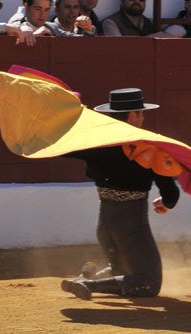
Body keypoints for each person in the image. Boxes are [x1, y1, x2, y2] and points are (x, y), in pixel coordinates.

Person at [60, 88, 179, 300]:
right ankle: (90, 285)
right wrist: (167, 202)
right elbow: (170, 191)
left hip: (105, 226)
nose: (143, 118)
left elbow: (62, 146)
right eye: (141, 113)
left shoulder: (95, 142)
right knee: (148, 282)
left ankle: (85, 279)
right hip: (131, 226)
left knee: (122, 269)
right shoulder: (146, 147)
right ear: (133, 115)